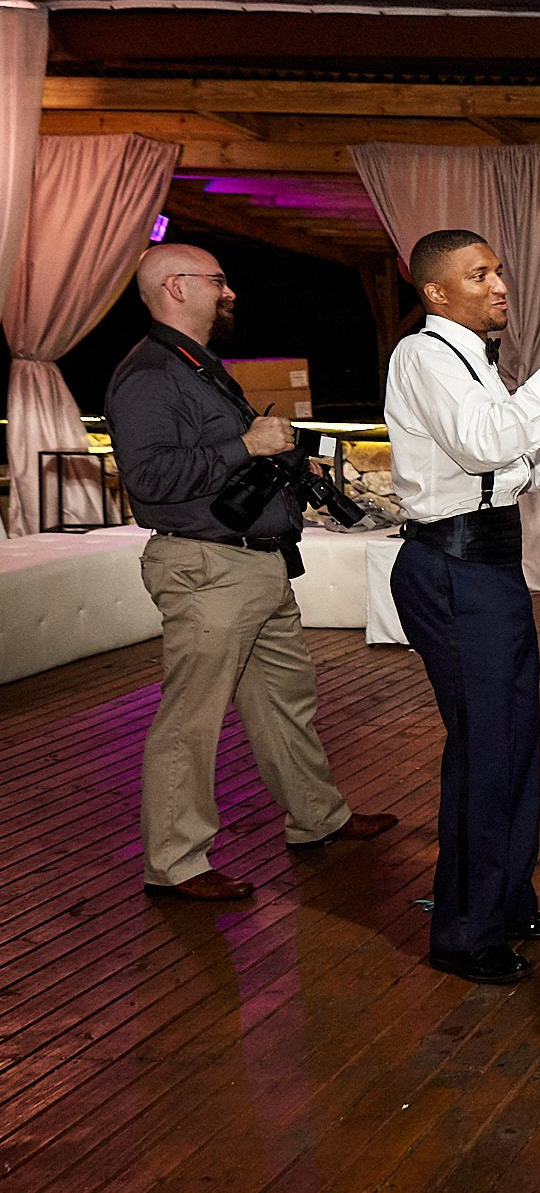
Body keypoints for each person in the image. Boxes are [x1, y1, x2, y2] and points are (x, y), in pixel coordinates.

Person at [102, 243, 395, 902]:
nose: (230, 291)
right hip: (208, 568)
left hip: (254, 565)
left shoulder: (198, 368)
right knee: (192, 719)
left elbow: (221, 460)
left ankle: (316, 817)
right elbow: (148, 478)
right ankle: (175, 863)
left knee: (285, 701)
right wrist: (247, 443)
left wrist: (285, 462)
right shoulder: (150, 372)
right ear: (175, 286)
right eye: (218, 280)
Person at [383, 229, 540, 985]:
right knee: (484, 749)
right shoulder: (423, 355)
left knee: (514, 739)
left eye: (499, 270)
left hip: (490, 565)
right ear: (436, 292)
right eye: (479, 274)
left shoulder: (472, 358)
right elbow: (484, 445)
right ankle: (463, 933)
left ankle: (507, 901)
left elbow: (500, 468)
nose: (499, 285)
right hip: (451, 568)